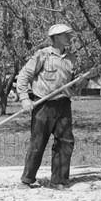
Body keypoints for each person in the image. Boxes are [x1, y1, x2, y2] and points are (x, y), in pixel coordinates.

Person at [16, 24, 85, 190]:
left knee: (65, 142)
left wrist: (85, 79)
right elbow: (23, 76)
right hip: (43, 105)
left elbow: (74, 88)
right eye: (65, 35)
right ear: (54, 37)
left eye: (69, 35)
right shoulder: (42, 55)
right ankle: (27, 180)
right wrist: (25, 99)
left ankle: (59, 181)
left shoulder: (72, 58)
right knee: (37, 143)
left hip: (63, 105)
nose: (69, 38)